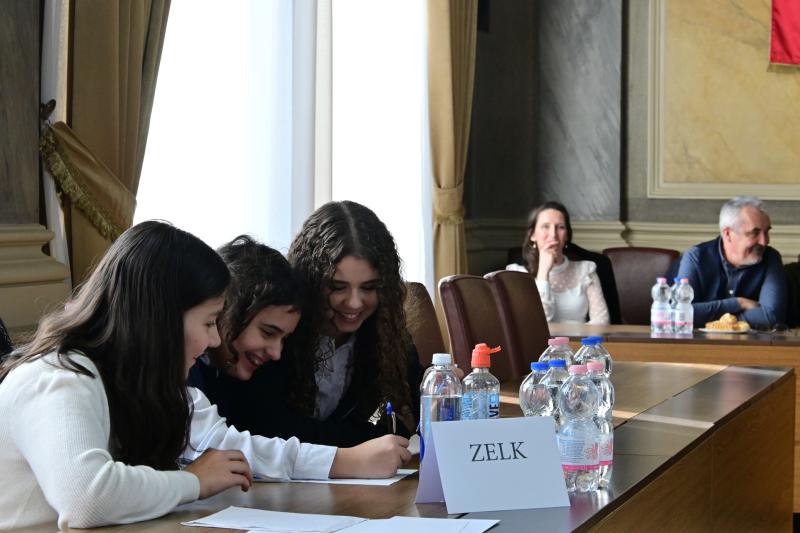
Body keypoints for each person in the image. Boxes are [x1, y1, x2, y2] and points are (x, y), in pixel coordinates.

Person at [0, 221, 409, 531]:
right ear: (160, 318)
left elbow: (231, 451)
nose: (215, 339)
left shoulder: (146, 384)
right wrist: (192, 482)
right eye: (210, 322)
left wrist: (344, 461)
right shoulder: (59, 376)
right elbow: (86, 498)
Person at [189, 235, 412, 447]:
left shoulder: (387, 341)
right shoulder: (192, 369)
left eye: (369, 287)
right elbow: (269, 435)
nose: (276, 353)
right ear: (225, 311)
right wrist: (368, 441)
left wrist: (384, 424)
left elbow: (393, 408)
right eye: (268, 332)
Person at [285, 201, 422, 447]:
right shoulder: (278, 337)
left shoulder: (387, 335)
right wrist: (365, 434)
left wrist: (441, 388)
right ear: (311, 282)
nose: (355, 303)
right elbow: (277, 431)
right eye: (338, 287)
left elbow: (384, 412)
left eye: (369, 287)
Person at [677, 196, 787, 329]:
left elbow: (772, 317)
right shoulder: (696, 257)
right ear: (728, 234)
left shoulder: (771, 258)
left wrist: (713, 319)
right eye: (755, 233)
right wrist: (738, 303)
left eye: (766, 232)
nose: (765, 242)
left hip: (751, 342)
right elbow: (680, 314)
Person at [506, 201, 610, 324]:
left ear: (566, 235)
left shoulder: (586, 270)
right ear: (532, 235)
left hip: (581, 336)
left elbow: (601, 321)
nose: (553, 234)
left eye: (560, 227)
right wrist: (543, 272)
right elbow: (537, 323)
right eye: (546, 226)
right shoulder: (516, 274)